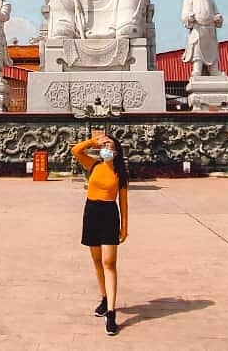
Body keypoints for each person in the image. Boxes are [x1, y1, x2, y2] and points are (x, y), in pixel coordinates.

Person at [71, 132, 130, 336]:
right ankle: (104, 298)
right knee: (97, 261)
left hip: (109, 215)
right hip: (91, 213)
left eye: (111, 147)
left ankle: (111, 313)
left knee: (109, 262)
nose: (107, 149)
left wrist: (124, 227)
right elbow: (75, 150)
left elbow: (123, 202)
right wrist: (94, 141)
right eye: (105, 146)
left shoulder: (120, 174)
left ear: (117, 152)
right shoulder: (93, 165)